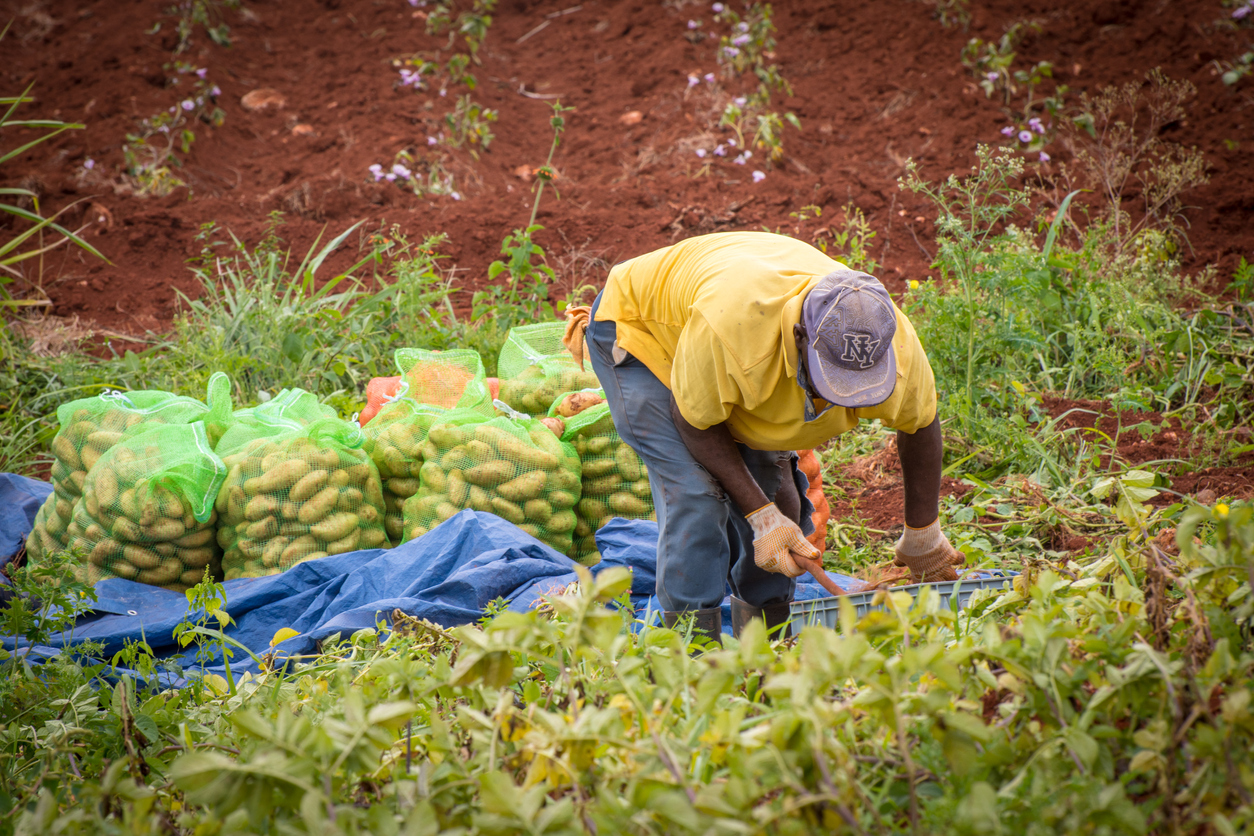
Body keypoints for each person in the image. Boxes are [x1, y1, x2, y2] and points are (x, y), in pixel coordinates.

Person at [569, 231, 963, 642]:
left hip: (723, 325)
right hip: (640, 334)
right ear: (799, 340)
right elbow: (693, 423)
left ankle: (767, 644)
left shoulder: (891, 340)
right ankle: (691, 656)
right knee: (697, 496)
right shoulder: (735, 333)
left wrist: (923, 534)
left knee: (779, 494)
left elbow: (920, 425)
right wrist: (760, 517)